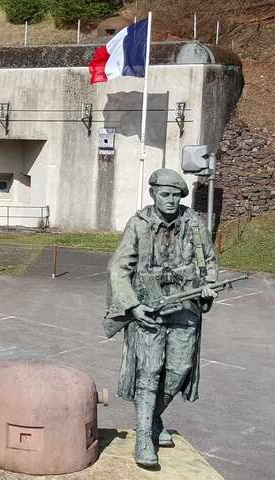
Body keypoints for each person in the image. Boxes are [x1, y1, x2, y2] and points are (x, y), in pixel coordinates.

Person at [103, 168, 218, 467]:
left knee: (180, 369)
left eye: (176, 195)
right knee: (150, 372)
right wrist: (133, 307)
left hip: (184, 310)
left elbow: (209, 264)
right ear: (153, 193)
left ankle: (152, 418)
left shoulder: (194, 224)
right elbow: (118, 269)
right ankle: (144, 438)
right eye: (164, 194)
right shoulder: (138, 225)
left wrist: (207, 287)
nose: (170, 200)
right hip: (148, 311)